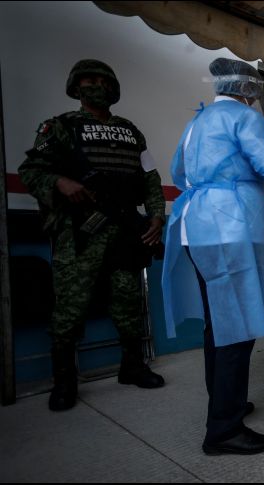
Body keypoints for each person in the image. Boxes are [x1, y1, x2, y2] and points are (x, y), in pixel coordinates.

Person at [161, 58, 264, 455]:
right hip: (229, 227)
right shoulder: (243, 116)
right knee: (236, 329)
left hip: (196, 226)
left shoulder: (198, 122)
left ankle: (228, 403)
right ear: (249, 89)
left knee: (218, 325)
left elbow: (178, 172)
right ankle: (224, 429)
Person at [18, 59, 166, 412]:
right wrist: (59, 181)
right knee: (71, 306)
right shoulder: (60, 127)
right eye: (89, 80)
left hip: (125, 230)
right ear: (76, 87)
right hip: (79, 232)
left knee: (129, 299)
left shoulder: (131, 132)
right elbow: (30, 170)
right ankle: (64, 381)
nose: (97, 85)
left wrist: (157, 216)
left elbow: (149, 178)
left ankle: (132, 366)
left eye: (103, 80)